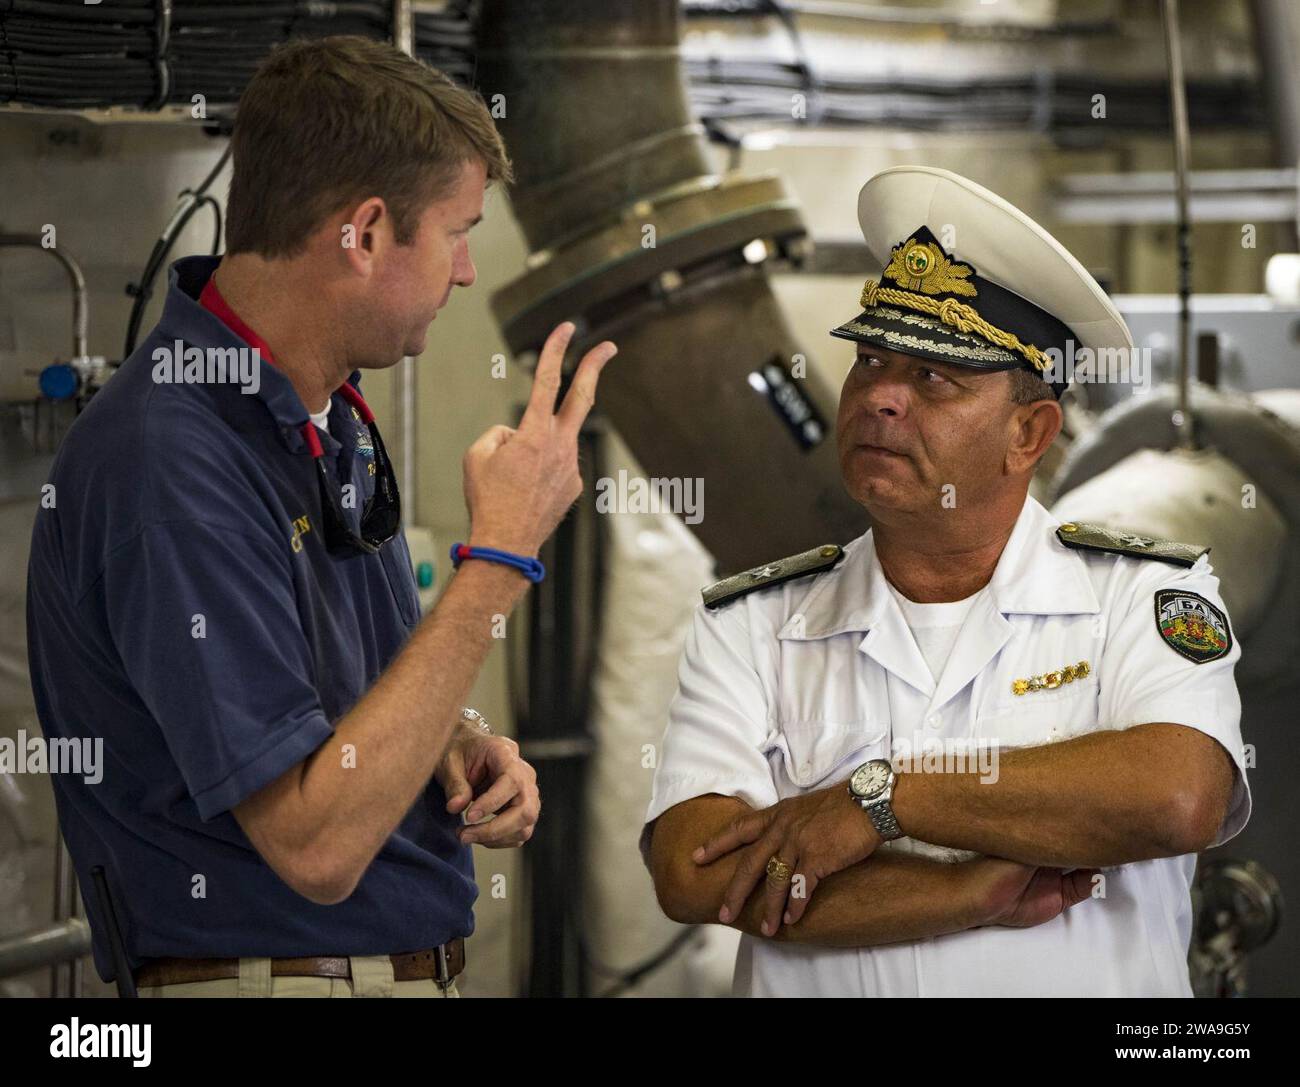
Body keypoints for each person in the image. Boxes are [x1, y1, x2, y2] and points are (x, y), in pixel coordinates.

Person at [27, 35, 616, 998]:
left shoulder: (316, 415)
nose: (466, 273)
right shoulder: (172, 458)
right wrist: (501, 554)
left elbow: (328, 714)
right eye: (457, 233)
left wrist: (451, 739)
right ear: (367, 232)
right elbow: (316, 844)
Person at [643, 165, 1249, 997]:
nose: (880, 398)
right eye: (870, 361)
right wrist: (971, 892)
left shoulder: (1136, 600)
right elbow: (695, 868)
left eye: (933, 377)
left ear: (1029, 432)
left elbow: (1180, 795)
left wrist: (881, 802)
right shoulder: (755, 622)